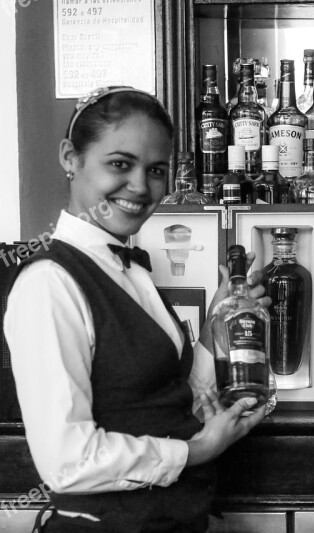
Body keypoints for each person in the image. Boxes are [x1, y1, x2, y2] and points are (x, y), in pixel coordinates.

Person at [4, 86, 267, 532]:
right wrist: (196, 451)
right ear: (71, 158)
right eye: (120, 164)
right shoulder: (48, 283)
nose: (141, 187)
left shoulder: (128, 269)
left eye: (157, 169)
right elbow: (68, 461)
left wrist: (213, 331)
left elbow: (161, 396)